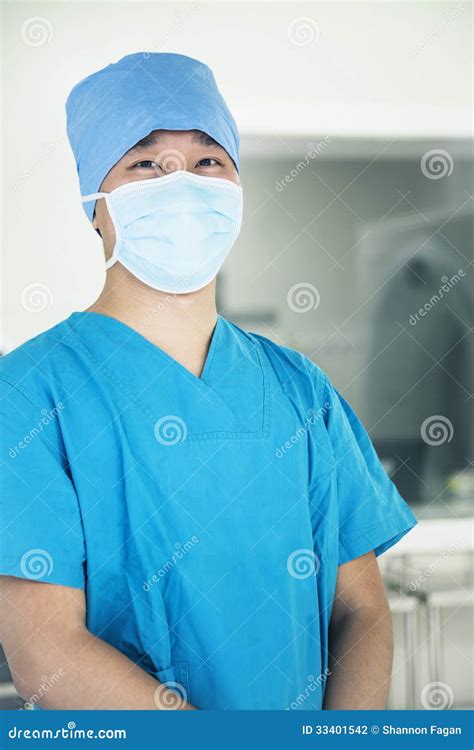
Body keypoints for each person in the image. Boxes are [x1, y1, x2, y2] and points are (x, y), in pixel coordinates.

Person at [0, 52, 416, 711]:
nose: (182, 184)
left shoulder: (299, 389)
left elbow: (361, 609)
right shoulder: (26, 395)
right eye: (145, 163)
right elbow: (45, 651)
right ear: (95, 207)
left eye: (207, 161)